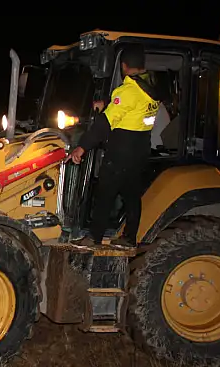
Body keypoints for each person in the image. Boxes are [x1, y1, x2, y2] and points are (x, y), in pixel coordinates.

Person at [65, 44, 161, 248]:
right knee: (132, 195)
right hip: (141, 149)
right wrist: (108, 102)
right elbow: (131, 104)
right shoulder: (151, 86)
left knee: (105, 193)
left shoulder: (127, 90)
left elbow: (103, 125)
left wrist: (82, 147)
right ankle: (129, 238)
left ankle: (94, 238)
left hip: (121, 150)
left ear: (124, 66)